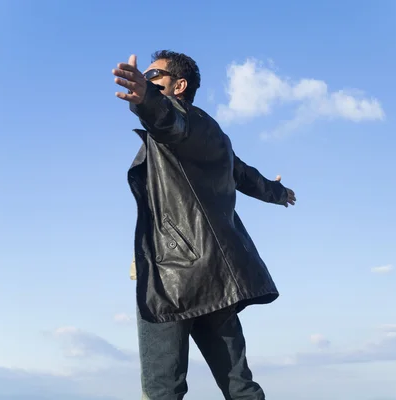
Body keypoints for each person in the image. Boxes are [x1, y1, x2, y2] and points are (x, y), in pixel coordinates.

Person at [112, 50, 296, 400]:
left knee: (162, 390)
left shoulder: (177, 120)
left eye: (155, 76)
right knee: (240, 386)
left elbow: (166, 119)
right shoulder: (213, 134)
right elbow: (247, 176)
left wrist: (145, 100)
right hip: (217, 279)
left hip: (172, 277)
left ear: (178, 86)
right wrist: (279, 192)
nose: (148, 78)